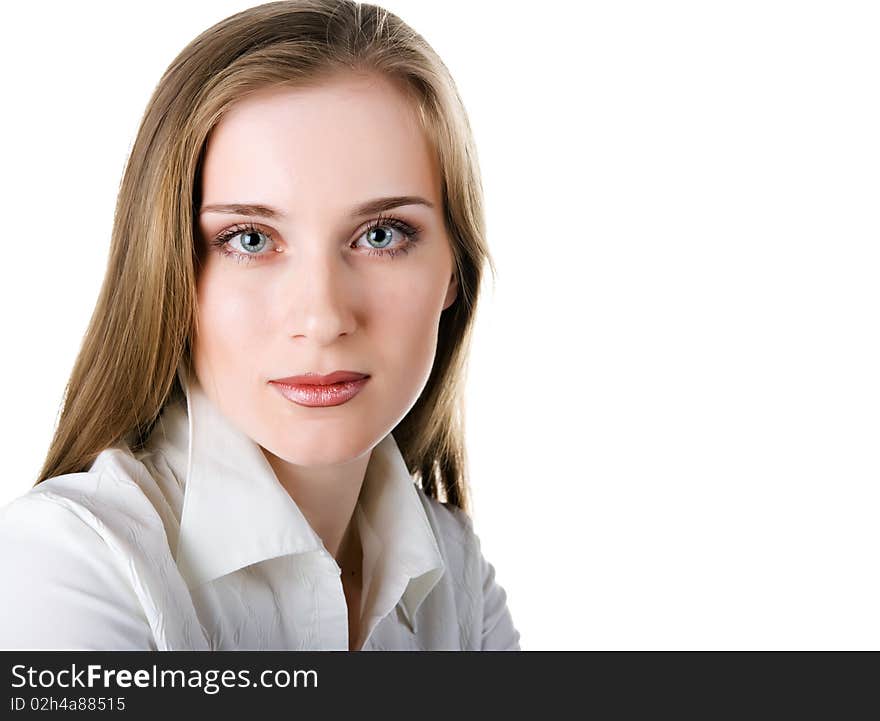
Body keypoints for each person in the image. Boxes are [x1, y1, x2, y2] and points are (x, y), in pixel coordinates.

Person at [0, 0, 519, 651]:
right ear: (169, 272)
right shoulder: (69, 566)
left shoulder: (457, 575)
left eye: (381, 235)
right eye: (250, 238)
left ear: (453, 270)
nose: (323, 317)